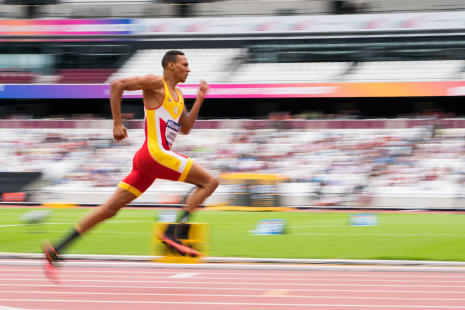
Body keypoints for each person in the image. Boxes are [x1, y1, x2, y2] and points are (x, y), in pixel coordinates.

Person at [41, 50, 219, 280]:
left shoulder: (180, 95)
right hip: (155, 154)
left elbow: (184, 128)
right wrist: (117, 123)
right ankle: (174, 231)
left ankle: (56, 249)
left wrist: (200, 99)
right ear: (171, 66)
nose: (189, 69)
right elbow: (117, 84)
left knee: (109, 209)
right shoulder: (157, 83)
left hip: (148, 161)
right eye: (185, 64)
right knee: (210, 182)